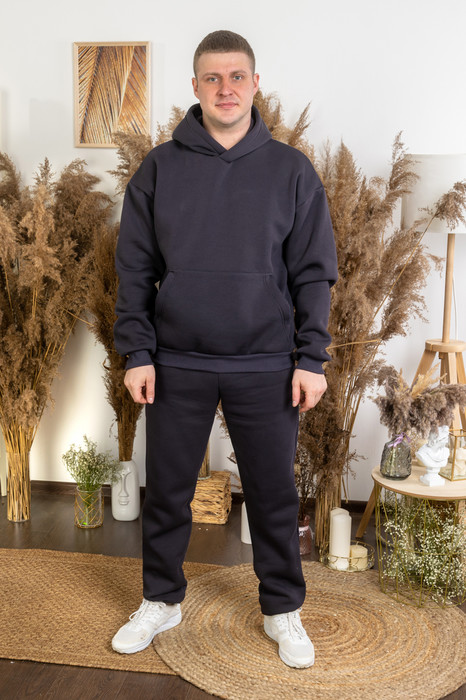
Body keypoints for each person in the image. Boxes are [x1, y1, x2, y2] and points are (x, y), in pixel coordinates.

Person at [111, 29, 338, 669]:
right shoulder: (159, 168)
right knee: (167, 492)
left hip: (267, 362)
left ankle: (281, 608)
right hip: (176, 359)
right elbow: (134, 270)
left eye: (237, 76)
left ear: (255, 84)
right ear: (195, 87)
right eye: (213, 78)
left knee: (272, 495)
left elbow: (313, 274)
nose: (226, 88)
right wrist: (137, 352)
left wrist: (311, 359)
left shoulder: (292, 170)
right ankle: (161, 599)